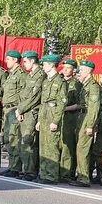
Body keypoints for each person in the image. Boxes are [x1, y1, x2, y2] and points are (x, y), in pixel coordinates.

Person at [35, 54, 67, 184]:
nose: (43, 66)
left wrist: (56, 121)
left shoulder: (59, 82)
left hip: (53, 114)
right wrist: (39, 120)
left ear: (51, 65)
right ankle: (44, 173)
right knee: (43, 145)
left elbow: (62, 103)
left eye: (45, 64)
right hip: (44, 114)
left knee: (52, 146)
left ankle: (52, 176)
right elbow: (43, 102)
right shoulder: (46, 81)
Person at [69, 60, 100, 187]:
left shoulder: (93, 86)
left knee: (83, 149)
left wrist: (90, 125)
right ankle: (81, 175)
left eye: (81, 69)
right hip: (81, 116)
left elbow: (94, 107)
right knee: (80, 148)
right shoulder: (85, 85)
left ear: (88, 70)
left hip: (87, 118)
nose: (79, 72)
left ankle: (84, 178)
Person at [15, 50, 45, 181]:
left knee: (28, 142)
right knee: (23, 142)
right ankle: (26, 169)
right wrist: (19, 110)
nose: (24, 64)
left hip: (32, 112)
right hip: (24, 112)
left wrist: (21, 109)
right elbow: (22, 94)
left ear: (33, 61)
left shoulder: (40, 75)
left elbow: (34, 97)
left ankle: (31, 171)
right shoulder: (30, 75)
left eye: (26, 61)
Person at [0, 50, 25, 178]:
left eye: (9, 59)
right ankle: (11, 166)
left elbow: (23, 94)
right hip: (7, 109)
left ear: (15, 60)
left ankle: (16, 168)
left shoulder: (20, 74)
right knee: (8, 139)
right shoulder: (10, 74)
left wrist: (20, 110)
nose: (6, 61)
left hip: (14, 109)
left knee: (14, 138)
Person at [59, 59, 82, 182]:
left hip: (70, 117)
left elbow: (80, 104)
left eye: (68, 68)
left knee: (68, 145)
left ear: (73, 70)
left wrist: (64, 109)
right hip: (59, 117)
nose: (65, 70)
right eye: (64, 67)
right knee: (59, 144)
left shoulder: (76, 84)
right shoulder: (60, 81)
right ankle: (59, 169)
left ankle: (67, 173)